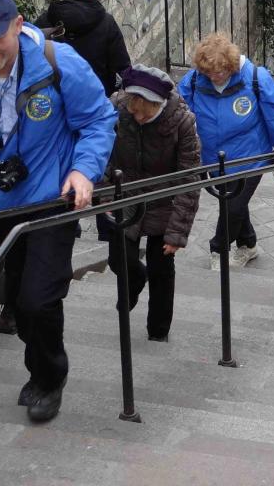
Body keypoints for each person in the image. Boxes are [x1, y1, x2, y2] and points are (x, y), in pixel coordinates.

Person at [0, 0, 118, 422]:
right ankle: (40, 360)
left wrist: (83, 171)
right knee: (17, 299)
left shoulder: (60, 63)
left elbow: (98, 120)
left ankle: (48, 377)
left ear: (18, 24)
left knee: (38, 299)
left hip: (50, 198)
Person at [177, 33, 274, 270]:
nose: (214, 76)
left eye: (220, 71)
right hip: (213, 158)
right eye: (209, 72)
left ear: (231, 66)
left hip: (251, 157)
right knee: (232, 205)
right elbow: (181, 117)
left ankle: (218, 249)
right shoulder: (192, 81)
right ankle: (248, 244)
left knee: (232, 205)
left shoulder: (255, 78)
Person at [105, 66, 201, 342]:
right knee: (118, 259)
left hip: (164, 202)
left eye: (142, 113)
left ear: (156, 106)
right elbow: (101, 152)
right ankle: (135, 280)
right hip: (127, 197)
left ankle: (158, 331)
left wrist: (177, 234)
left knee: (162, 268)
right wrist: (105, 194)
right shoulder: (118, 109)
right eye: (132, 111)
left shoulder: (182, 122)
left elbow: (189, 178)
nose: (136, 117)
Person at [36, 0, 131, 94]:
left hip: (54, 104)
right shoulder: (107, 23)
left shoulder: (44, 22)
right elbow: (123, 71)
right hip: (96, 104)